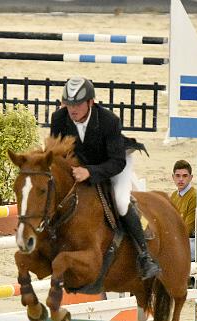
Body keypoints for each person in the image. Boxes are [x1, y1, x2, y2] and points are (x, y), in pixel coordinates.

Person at [50, 77, 161, 280]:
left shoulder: (109, 120)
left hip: (114, 164)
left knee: (120, 202)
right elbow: (57, 154)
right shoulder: (59, 118)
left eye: (77, 104)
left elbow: (116, 161)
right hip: (80, 167)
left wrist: (90, 172)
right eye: (69, 104)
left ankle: (145, 257)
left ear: (90, 102)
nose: (72, 109)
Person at [169, 159, 196, 261]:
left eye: (185, 176)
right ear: (173, 177)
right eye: (178, 176)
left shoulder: (194, 196)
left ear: (190, 178)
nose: (181, 179)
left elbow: (187, 228)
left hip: (190, 241)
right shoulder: (174, 196)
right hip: (175, 238)